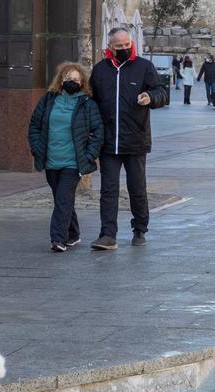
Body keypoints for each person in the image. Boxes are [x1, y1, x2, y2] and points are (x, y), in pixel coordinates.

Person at [88, 27, 167, 251]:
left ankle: (140, 229)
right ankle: (107, 235)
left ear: (131, 43)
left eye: (126, 45)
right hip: (108, 142)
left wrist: (149, 97)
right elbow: (92, 101)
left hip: (135, 140)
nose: (123, 49)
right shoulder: (100, 70)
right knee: (108, 190)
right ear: (110, 47)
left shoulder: (144, 67)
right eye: (118, 46)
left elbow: (162, 93)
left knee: (137, 189)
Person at [28, 62, 104, 252]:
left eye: (76, 79)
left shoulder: (87, 104)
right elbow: (35, 126)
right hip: (51, 160)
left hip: (73, 161)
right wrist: (37, 148)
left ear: (82, 82)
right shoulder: (48, 100)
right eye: (68, 78)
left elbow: (98, 132)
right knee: (62, 199)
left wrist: (89, 155)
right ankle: (74, 233)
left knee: (63, 199)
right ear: (60, 80)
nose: (72, 82)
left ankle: (58, 239)